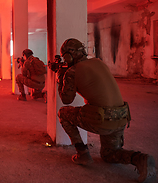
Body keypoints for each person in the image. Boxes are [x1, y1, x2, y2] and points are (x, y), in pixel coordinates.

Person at [56, 38, 156, 183]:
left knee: (63, 113)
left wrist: (61, 77)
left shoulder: (72, 71)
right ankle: (140, 158)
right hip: (122, 117)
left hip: (102, 118)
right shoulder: (98, 62)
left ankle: (82, 153)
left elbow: (66, 99)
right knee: (109, 155)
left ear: (68, 56)